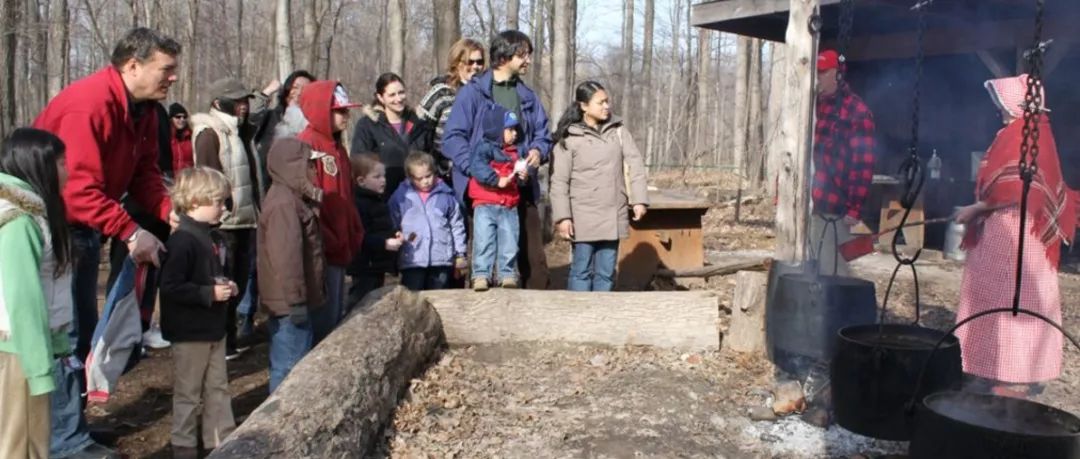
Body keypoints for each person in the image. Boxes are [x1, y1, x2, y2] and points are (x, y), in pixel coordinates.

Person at [33, 26, 180, 459]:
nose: (172, 78)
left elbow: (144, 174)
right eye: (165, 70)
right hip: (50, 228)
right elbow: (76, 190)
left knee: (80, 335)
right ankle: (62, 441)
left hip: (82, 228)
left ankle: (70, 428)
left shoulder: (146, 112)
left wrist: (168, 209)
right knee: (64, 333)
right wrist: (131, 231)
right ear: (132, 66)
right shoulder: (89, 104)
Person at [953, 74, 1076, 399]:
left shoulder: (1029, 133)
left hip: (1018, 236)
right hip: (1005, 232)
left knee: (1014, 304)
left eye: (1004, 104)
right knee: (992, 302)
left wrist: (976, 208)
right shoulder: (1021, 130)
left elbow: (1015, 189)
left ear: (1020, 104)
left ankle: (1014, 375)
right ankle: (990, 366)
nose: (1001, 111)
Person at [443, 29, 553, 290]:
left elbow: (543, 133)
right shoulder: (473, 93)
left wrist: (538, 150)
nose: (528, 61)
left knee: (533, 261)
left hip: (520, 188)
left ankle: (533, 320)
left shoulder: (527, 96)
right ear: (505, 56)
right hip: (482, 191)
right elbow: (453, 138)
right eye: (523, 55)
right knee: (483, 257)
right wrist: (477, 170)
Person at [0, 128, 72, 459]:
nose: (67, 171)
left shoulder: (31, 213)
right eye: (60, 163)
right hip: (18, 353)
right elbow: (22, 299)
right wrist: (39, 368)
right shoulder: (19, 220)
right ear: (37, 165)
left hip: (22, 349)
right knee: (23, 447)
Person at [157, 167, 238, 459]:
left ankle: (221, 441)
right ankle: (184, 446)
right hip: (190, 332)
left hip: (214, 328)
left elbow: (211, 274)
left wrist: (226, 283)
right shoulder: (182, 241)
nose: (223, 208)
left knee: (218, 387)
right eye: (217, 202)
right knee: (189, 394)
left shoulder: (213, 238)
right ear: (193, 203)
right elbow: (170, 287)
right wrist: (208, 293)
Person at [550, 81, 649, 292]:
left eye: (607, 101)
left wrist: (639, 200)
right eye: (600, 102)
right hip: (582, 215)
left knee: (606, 272)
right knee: (581, 270)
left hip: (613, 213)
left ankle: (601, 320)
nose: (606, 106)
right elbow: (559, 181)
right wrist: (563, 217)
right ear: (584, 106)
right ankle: (579, 317)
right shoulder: (570, 138)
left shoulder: (619, 132)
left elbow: (636, 165)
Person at [191, 77, 264, 359]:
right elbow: (210, 177)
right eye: (238, 101)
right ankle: (220, 341)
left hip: (245, 219)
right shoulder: (210, 133)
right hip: (224, 224)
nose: (244, 106)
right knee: (224, 282)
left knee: (240, 283)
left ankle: (229, 340)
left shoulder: (239, 131)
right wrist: (222, 211)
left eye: (246, 101)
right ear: (219, 103)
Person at [292, 80, 364, 344]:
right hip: (322, 249)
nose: (346, 116)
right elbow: (308, 204)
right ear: (322, 111)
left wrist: (354, 230)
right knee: (322, 321)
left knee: (334, 315)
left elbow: (346, 196)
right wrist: (327, 238)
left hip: (339, 247)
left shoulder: (338, 148)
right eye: (339, 111)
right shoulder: (307, 146)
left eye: (346, 111)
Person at [258, 128, 326, 394]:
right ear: (293, 167)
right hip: (288, 305)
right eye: (309, 164)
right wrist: (297, 300)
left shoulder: (293, 198)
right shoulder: (284, 205)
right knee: (289, 369)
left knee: (294, 364)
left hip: (293, 300)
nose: (313, 170)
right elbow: (288, 259)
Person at [810, 49, 875, 277]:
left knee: (832, 270)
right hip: (808, 203)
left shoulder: (856, 111)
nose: (816, 77)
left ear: (837, 74)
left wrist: (854, 208)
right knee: (808, 267)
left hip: (834, 206)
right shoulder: (811, 106)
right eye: (815, 72)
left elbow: (863, 164)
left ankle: (838, 311)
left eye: (821, 72)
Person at [389, 152, 467, 291]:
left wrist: (460, 253)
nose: (425, 181)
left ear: (435, 172)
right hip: (413, 259)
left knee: (440, 300)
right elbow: (392, 223)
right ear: (410, 177)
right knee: (413, 300)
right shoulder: (401, 197)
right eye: (419, 178)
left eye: (429, 176)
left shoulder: (446, 195)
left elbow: (457, 226)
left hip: (441, 259)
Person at [468, 108, 527, 291]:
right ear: (496, 129)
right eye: (510, 129)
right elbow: (477, 167)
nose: (515, 134)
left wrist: (522, 176)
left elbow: (517, 175)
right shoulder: (483, 148)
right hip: (485, 204)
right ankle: (481, 274)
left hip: (508, 205)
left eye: (516, 129)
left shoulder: (514, 152)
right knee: (484, 240)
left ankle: (506, 273)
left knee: (509, 241)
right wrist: (495, 180)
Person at [351, 72, 434, 199]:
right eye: (392, 95)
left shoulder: (420, 124)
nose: (398, 99)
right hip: (384, 198)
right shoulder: (368, 126)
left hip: (420, 197)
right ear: (380, 97)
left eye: (401, 92)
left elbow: (432, 158)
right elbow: (360, 164)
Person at [418, 38, 486, 178]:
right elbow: (421, 134)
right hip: (443, 172)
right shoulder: (441, 92)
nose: (475, 66)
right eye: (469, 61)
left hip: (475, 170)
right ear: (457, 63)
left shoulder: (486, 94)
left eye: (479, 62)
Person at [347, 153, 403, 308]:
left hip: (376, 263)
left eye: (383, 176)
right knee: (361, 300)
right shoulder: (360, 204)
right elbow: (361, 236)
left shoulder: (377, 201)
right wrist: (384, 243)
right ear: (361, 181)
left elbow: (379, 227)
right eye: (377, 177)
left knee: (374, 300)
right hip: (365, 264)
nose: (383, 180)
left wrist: (393, 235)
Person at [250, 70, 315, 193]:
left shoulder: (315, 124)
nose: (299, 92)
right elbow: (250, 118)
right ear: (286, 90)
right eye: (295, 87)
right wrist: (266, 93)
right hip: (269, 186)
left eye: (306, 88)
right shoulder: (271, 118)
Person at [170, 102, 194, 174]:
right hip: (169, 179)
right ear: (171, 118)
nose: (182, 119)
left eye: (184, 117)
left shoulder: (191, 137)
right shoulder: (167, 138)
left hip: (187, 179)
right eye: (178, 117)